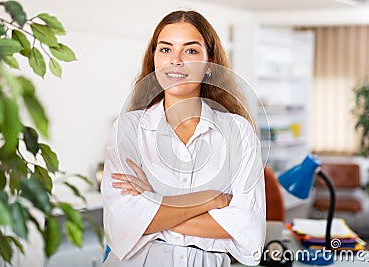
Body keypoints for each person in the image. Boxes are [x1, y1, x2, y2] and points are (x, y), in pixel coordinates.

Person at [101, 10, 266, 267]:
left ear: (209, 64)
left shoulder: (238, 132)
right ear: (154, 58)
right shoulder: (128, 129)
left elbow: (249, 231)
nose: (175, 60)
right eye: (165, 50)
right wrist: (209, 201)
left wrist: (153, 206)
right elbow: (120, 225)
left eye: (190, 51)